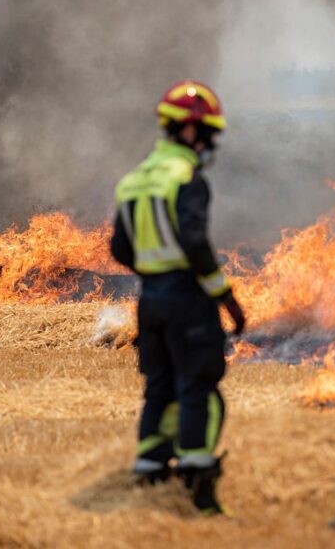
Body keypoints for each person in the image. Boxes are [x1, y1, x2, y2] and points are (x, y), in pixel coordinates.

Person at [109, 80, 245, 515]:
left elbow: (119, 250)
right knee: (198, 388)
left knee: (158, 387)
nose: (209, 144)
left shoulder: (133, 180)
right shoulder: (187, 176)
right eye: (207, 133)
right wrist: (223, 295)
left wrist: (154, 272)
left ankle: (149, 472)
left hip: (150, 299)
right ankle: (198, 487)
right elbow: (194, 239)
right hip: (187, 298)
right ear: (189, 131)